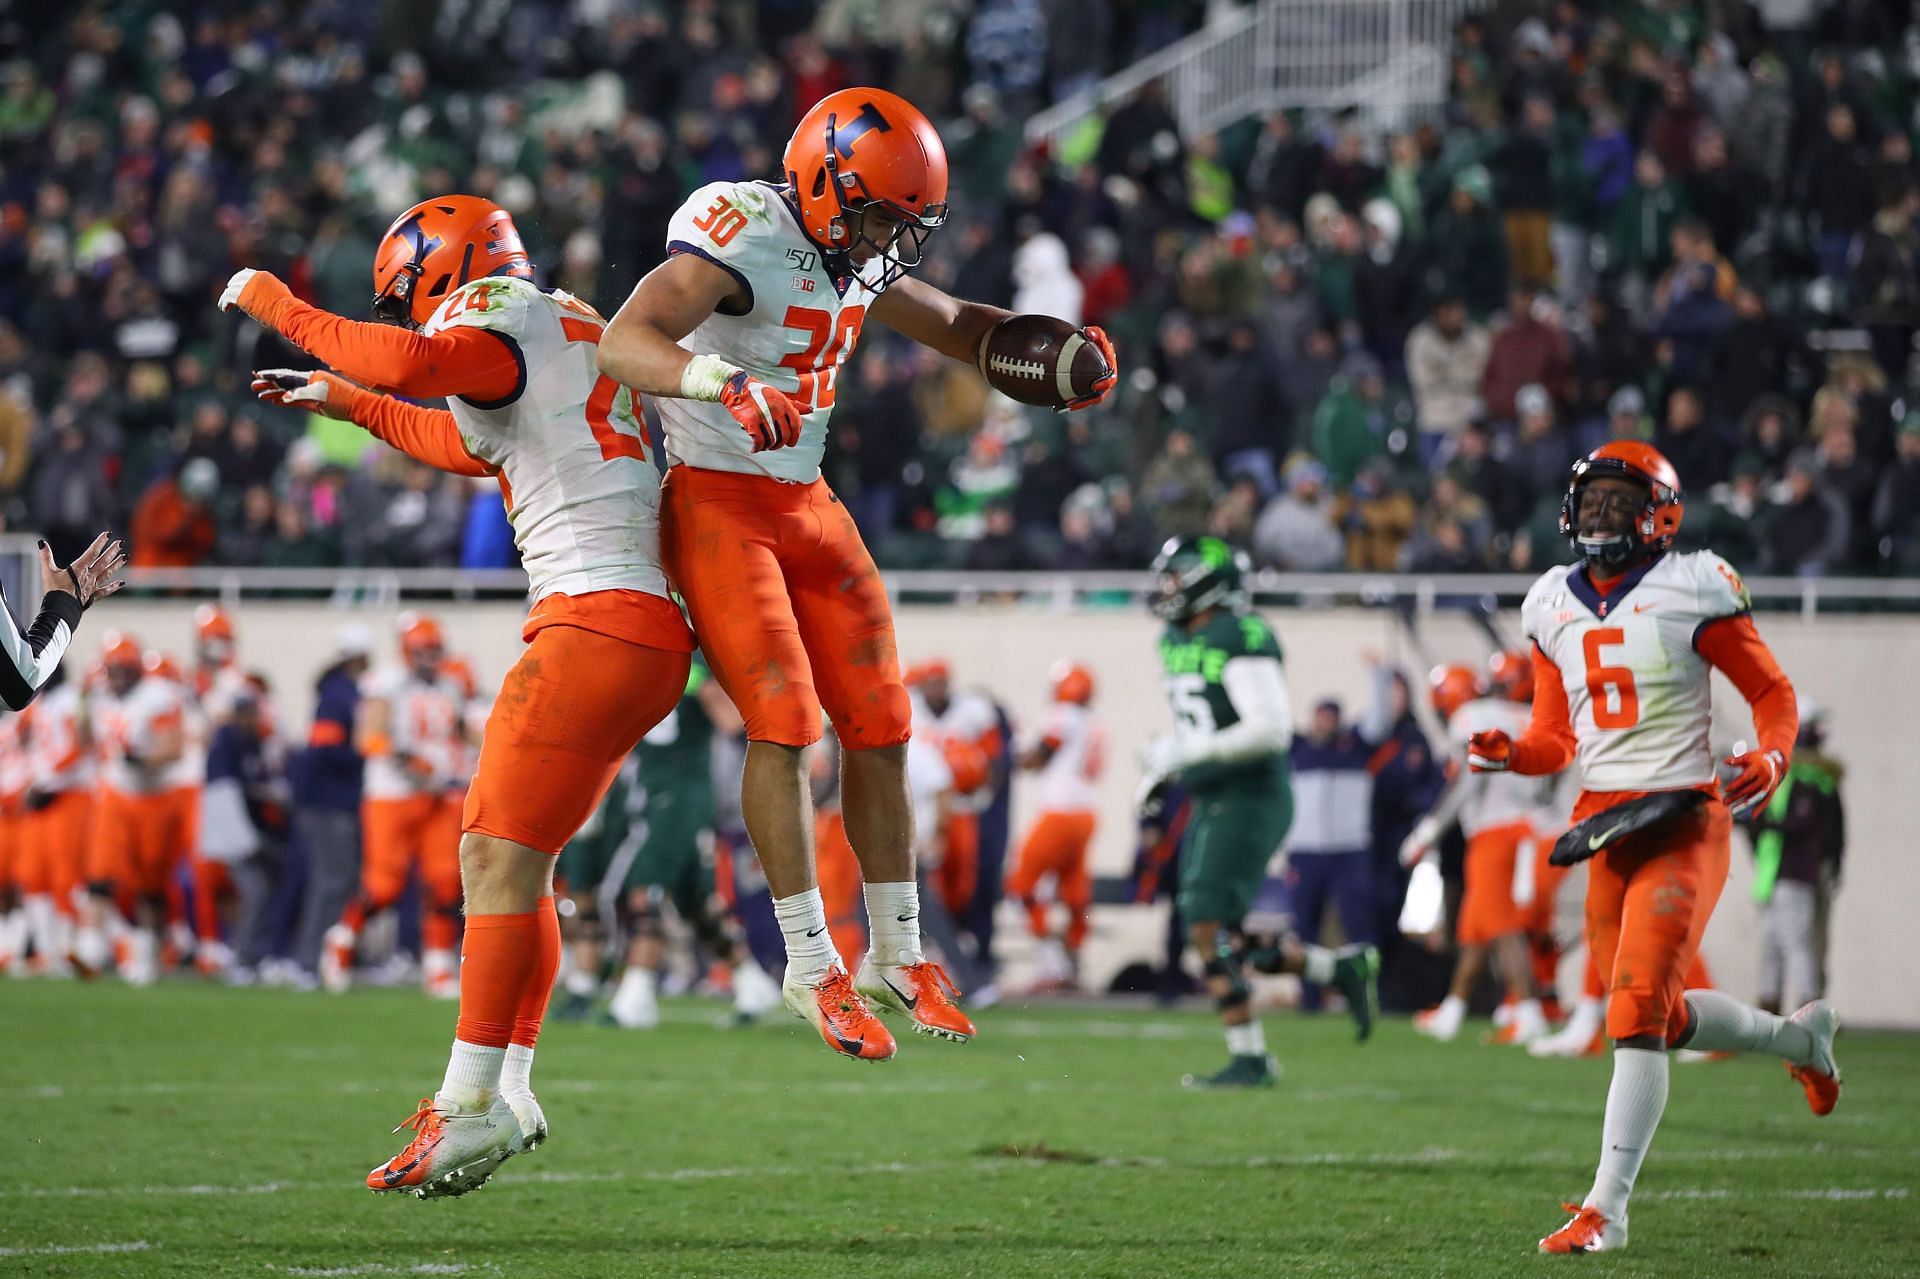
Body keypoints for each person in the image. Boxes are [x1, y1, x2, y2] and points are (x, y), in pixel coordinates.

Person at [593, 88, 1115, 1058]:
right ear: (826, 183)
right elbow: (625, 339)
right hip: (717, 499)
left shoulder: (853, 251)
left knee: (882, 722)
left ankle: (899, 951)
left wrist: (1056, 353)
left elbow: (958, 322)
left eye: (908, 223)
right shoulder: (739, 228)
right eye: (883, 215)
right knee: (787, 725)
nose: (893, 240)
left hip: (804, 500)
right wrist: (723, 380)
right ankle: (808, 961)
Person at [223, 191, 695, 1196]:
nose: (407, 315)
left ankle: (469, 1099)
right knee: (520, 865)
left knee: (490, 851)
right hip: (640, 627)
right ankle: (506, 1088)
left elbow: (415, 366)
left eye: (408, 294)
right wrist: (345, 403)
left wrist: (277, 301)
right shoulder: (557, 320)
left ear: (448, 266)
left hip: (596, 615)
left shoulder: (502, 314)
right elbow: (463, 439)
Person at [1466, 441, 1838, 1253]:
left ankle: (1608, 1209)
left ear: (1658, 513)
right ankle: (1799, 1038)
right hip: (1605, 822)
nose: (1598, 514)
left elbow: (1771, 692)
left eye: (1616, 500)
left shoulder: (1691, 584)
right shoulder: (1547, 602)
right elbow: (1553, 737)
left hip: (1682, 816)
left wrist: (1773, 754)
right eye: (1589, 499)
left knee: (1632, 1010)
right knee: (1655, 1019)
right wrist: (1509, 752)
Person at [1139, 537, 1378, 1088]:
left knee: (1202, 922)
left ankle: (1250, 1057)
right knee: (1217, 932)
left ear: (1208, 580)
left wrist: (1185, 756)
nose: (1168, 588)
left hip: (1251, 795)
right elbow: (1196, 724)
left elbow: (1270, 731)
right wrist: (1162, 771)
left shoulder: (1239, 632)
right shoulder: (1176, 635)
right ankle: (1337, 967)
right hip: (1213, 793)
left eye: (1178, 577)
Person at [556, 655, 781, 1030]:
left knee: (646, 891)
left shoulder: (692, 664)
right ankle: (752, 982)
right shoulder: (642, 659)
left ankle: (637, 995)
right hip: (650, 790)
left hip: (681, 794)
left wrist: (698, 683)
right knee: (696, 900)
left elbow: (732, 722)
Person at [1402, 662, 1555, 1045]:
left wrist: (1428, 831)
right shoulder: (1523, 715)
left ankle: (1530, 1012)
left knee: (1502, 925)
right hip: (1524, 825)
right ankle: (1452, 1011)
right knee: (1475, 927)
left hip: (1494, 828)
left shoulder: (1471, 716)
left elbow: (1467, 780)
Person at [320, 614, 469, 1000]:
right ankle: (341, 939)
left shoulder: (451, 686)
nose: (429, 657)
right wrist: (409, 760)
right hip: (391, 795)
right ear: (406, 651)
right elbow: (368, 738)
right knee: (383, 886)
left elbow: (459, 736)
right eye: (422, 650)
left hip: (439, 796)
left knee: (445, 880)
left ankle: (436, 967)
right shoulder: (387, 683)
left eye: (434, 649)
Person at [1006, 662, 1104, 989]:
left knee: (1021, 886)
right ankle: (1074, 956)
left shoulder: (1063, 716)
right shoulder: (1094, 724)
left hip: (1059, 813)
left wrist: (1011, 751)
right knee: (1074, 890)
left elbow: (1038, 757)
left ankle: (1054, 965)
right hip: (1086, 814)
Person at [1750, 706, 1844, 1016]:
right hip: (1778, 874)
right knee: (1773, 942)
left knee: (1797, 941)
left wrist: (1763, 823)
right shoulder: (1799, 779)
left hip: (1796, 873)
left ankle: (1808, 1005)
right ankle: (1770, 1003)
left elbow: (1800, 825)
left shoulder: (1810, 781)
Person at [290, 626, 370, 985]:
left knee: (338, 880)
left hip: (334, 801)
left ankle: (322, 959)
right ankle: (309, 961)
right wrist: (365, 753)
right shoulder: (340, 695)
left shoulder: (341, 691)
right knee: (331, 881)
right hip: (329, 803)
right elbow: (326, 749)